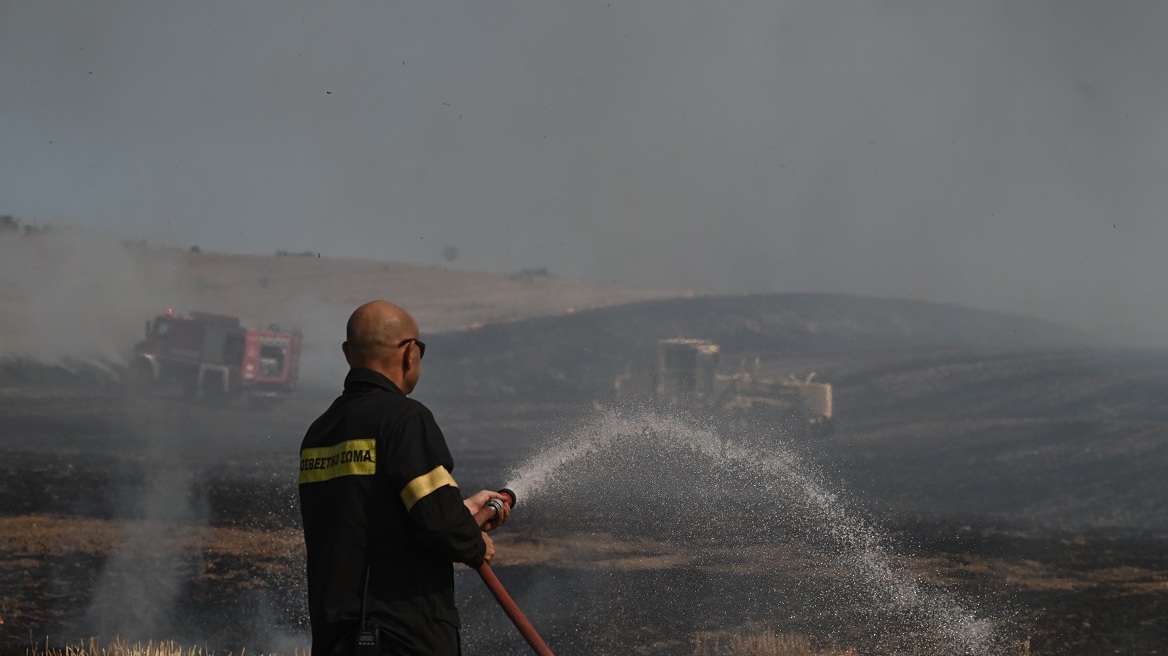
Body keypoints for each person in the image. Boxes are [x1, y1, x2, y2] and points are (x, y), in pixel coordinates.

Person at [299, 300, 511, 656]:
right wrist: (473, 541)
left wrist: (459, 512)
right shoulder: (404, 419)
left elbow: (375, 513)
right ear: (410, 353)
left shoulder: (320, 432)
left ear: (347, 354)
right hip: (403, 636)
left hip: (337, 638)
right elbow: (442, 527)